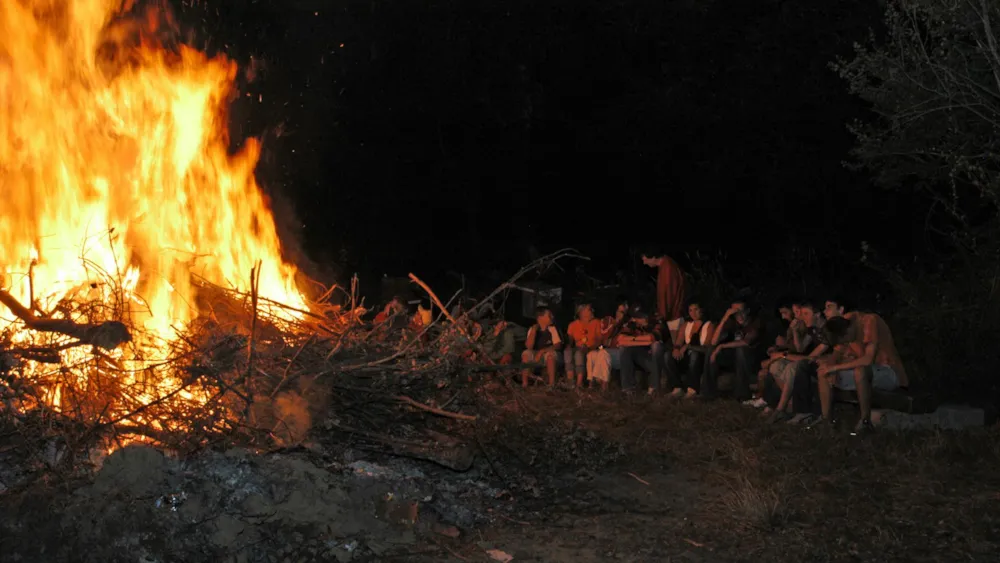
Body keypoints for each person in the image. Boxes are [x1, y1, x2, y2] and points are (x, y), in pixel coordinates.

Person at [815, 300, 908, 432]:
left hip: (888, 371)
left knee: (860, 370)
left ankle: (865, 421)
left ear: (847, 332)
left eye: (846, 341)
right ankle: (827, 421)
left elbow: (867, 360)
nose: (847, 343)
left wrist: (835, 368)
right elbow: (836, 353)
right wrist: (830, 365)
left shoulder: (869, 321)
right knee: (823, 371)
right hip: (864, 375)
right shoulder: (840, 324)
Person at [702, 299, 761, 401]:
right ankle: (708, 393)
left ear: (747, 311)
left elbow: (746, 342)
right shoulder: (731, 322)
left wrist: (722, 346)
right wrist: (725, 318)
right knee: (711, 350)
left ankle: (741, 394)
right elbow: (714, 341)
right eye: (735, 312)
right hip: (733, 357)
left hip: (751, 357)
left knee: (741, 350)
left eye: (741, 311)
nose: (739, 315)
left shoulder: (755, 322)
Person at [665, 301, 714, 399]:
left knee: (694, 355)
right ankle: (677, 387)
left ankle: (692, 389)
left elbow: (707, 348)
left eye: (696, 309)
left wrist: (688, 346)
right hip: (687, 356)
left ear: (702, 310)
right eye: (690, 310)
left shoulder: (709, 325)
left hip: (701, 358)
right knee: (667, 355)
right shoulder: (686, 325)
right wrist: (676, 349)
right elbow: (678, 342)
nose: (693, 313)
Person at [616, 304, 666, 396]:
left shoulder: (657, 322)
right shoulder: (633, 324)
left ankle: (654, 387)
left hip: (658, 360)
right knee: (624, 348)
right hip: (642, 357)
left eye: (638, 317)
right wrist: (637, 340)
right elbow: (620, 340)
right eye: (635, 317)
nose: (635, 319)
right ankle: (628, 388)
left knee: (656, 346)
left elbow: (652, 338)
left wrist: (632, 339)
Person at [520, 307, 563, 388]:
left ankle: (551, 385)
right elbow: (529, 346)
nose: (552, 316)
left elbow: (558, 345)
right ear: (540, 318)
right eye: (549, 315)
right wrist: (533, 331)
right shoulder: (532, 329)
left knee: (550, 355)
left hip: (551, 356)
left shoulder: (552, 329)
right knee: (526, 354)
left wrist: (542, 351)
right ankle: (524, 384)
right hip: (537, 356)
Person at [640, 250, 687, 323]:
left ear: (653, 257)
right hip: (673, 314)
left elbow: (668, 293)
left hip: (674, 316)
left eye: (645, 259)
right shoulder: (665, 265)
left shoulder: (667, 267)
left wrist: (661, 315)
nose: (644, 263)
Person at [564, 303, 603, 387]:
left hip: (592, 348)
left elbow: (599, 340)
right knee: (568, 352)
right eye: (589, 309)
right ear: (581, 312)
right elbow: (570, 340)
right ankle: (570, 380)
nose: (592, 311)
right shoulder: (572, 324)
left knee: (578, 354)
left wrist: (590, 348)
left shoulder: (597, 322)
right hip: (578, 347)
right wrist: (569, 345)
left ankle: (579, 382)